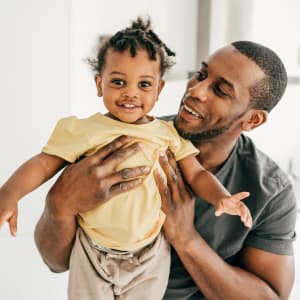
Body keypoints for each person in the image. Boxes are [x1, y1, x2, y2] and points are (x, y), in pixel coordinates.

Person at [0, 18, 251, 299]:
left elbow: (197, 175)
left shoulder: (168, 134)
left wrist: (221, 197)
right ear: (99, 84)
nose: (130, 92)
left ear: (159, 89)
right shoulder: (83, 130)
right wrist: (8, 194)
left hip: (150, 254)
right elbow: (43, 163)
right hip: (92, 249)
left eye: (144, 84)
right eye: (118, 82)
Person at [33, 39, 297, 299]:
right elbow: (56, 262)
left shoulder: (272, 192)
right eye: (201, 74)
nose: (195, 90)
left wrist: (186, 238)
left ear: (253, 119)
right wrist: (59, 206)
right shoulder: (129, 140)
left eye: (221, 90)